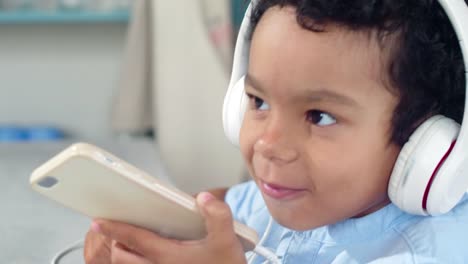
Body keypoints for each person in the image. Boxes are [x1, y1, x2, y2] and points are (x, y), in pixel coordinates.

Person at [84, 0, 468, 263]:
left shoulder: (427, 255)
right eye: (258, 102)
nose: (269, 144)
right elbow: (216, 204)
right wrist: (144, 233)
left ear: (428, 146)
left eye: (319, 116)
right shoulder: (289, 198)